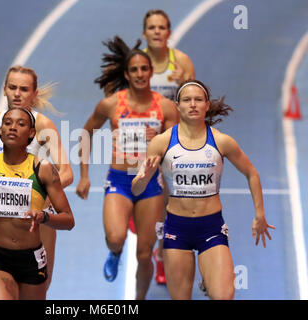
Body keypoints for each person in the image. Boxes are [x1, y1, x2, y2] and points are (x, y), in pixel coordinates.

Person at [131, 80, 275, 299]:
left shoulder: (221, 141)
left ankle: (210, 278)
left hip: (211, 228)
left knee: (224, 295)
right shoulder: (161, 142)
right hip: (176, 229)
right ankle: (205, 278)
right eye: (187, 100)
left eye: (198, 100)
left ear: (207, 105)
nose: (193, 104)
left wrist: (260, 214)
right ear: (177, 106)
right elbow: (136, 188)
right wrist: (145, 177)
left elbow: (251, 173)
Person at [0, 65, 73, 297]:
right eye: (12, 87)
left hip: (38, 222)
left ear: (34, 94)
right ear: (4, 90)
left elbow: (66, 172)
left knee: (42, 287)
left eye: (24, 89)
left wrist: (42, 198)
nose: (17, 93)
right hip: (1, 214)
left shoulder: (43, 126)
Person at [76, 35, 178, 299]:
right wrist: (84, 175)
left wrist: (157, 142)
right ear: (126, 74)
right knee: (115, 236)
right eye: (134, 70)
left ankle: (138, 299)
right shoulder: (111, 104)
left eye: (144, 69)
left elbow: (177, 147)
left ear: (151, 72)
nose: (140, 74)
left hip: (151, 185)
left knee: (145, 254)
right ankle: (115, 252)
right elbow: (86, 133)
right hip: (119, 181)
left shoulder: (165, 108)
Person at [141, 8, 196, 285]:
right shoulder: (137, 63)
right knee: (141, 197)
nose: (157, 32)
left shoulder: (182, 62)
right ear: (144, 33)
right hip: (138, 141)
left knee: (168, 201)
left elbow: (194, 104)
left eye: (162, 27)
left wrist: (183, 83)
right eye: (152, 27)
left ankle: (161, 255)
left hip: (172, 141)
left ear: (169, 32)